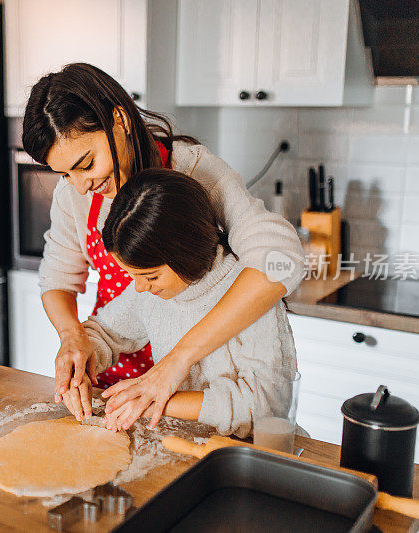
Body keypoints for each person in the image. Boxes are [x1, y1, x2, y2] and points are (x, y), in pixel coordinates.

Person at [22, 63, 304, 429]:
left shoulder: (197, 173)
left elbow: (280, 260)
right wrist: (74, 337)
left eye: (86, 164)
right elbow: (57, 278)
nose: (79, 186)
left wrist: (175, 363)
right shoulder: (78, 199)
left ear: (119, 119)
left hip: (196, 392)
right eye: (64, 174)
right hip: (120, 389)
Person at [82, 168, 297, 435]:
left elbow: (268, 410)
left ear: (184, 252)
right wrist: (79, 354)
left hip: (253, 457)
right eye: (130, 275)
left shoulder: (251, 294)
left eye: (150, 275)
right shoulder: (151, 292)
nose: (138, 287)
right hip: (186, 446)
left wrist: (156, 400)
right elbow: (104, 332)